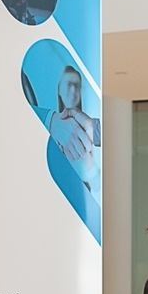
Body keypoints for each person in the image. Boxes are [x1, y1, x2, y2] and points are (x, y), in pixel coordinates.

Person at [46, 65, 102, 201]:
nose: (73, 90)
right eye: (69, 84)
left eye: (77, 86)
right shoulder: (46, 127)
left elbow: (98, 186)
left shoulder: (91, 132)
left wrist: (89, 164)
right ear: (59, 89)